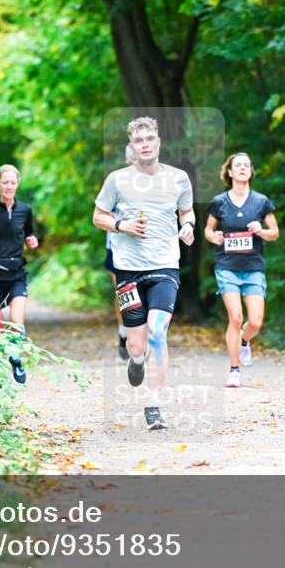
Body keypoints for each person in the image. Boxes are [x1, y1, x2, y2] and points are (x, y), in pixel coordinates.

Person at [93, 117, 195, 430]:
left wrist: (188, 225)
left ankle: (154, 404)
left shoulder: (178, 178)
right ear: (132, 146)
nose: (145, 144)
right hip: (127, 269)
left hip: (165, 265)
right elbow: (98, 216)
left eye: (150, 138)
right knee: (137, 345)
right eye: (139, 140)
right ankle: (137, 360)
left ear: (159, 141)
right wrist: (122, 225)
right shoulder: (117, 180)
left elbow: (187, 211)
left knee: (158, 332)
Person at [204, 152, 279, 387]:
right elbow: (207, 230)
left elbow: (274, 232)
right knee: (235, 318)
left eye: (247, 165)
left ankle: (245, 341)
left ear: (251, 171)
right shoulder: (219, 202)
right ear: (229, 172)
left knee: (255, 322)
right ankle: (234, 370)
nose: (243, 168)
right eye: (238, 165)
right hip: (227, 266)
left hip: (253, 267)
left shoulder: (261, 201)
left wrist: (261, 230)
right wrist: (213, 237)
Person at [0, 164, 39, 383]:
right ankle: (1, 366)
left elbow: (30, 234)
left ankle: (16, 360)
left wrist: (32, 241)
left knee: (17, 321)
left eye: (12, 182)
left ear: (17, 184)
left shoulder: (25, 210)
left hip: (17, 273)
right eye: (5, 182)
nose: (8, 186)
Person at [105, 144, 137, 360]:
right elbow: (102, 213)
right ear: (128, 160)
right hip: (117, 247)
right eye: (134, 157)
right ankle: (123, 332)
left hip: (146, 248)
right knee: (123, 292)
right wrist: (123, 224)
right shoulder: (115, 182)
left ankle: (142, 338)